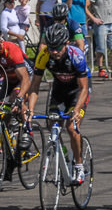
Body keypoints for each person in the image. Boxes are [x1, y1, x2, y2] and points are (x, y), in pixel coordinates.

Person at [26, 23, 91, 184]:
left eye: (57, 48)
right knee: (52, 123)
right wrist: (30, 109)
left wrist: (76, 109)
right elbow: (34, 86)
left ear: (66, 43)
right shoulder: (44, 55)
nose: (53, 52)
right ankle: (63, 156)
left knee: (71, 127)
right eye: (51, 47)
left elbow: (84, 88)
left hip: (78, 92)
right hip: (59, 91)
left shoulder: (77, 56)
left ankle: (79, 165)